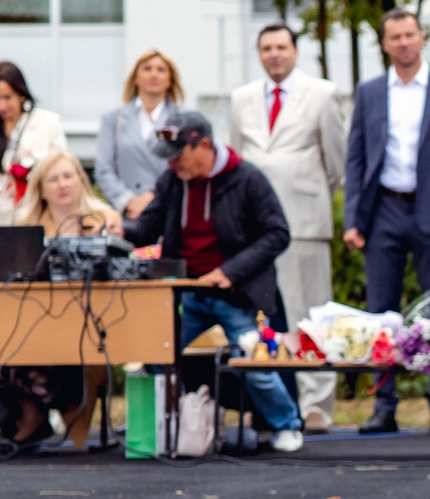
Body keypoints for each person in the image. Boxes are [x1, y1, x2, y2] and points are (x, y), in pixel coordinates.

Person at [126, 108, 304, 453]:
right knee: (155, 356)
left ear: (204, 145)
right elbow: (148, 226)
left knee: (256, 364)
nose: (173, 165)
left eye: (178, 156)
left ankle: (287, 425)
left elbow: (277, 233)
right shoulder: (172, 182)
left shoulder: (247, 179)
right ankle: (159, 427)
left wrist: (230, 271)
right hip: (188, 293)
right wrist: (119, 230)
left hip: (236, 294)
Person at [344, 9, 430, 435]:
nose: (403, 42)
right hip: (383, 211)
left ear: (421, 38)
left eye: (410, 34)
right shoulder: (369, 92)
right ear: (384, 44)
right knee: (382, 312)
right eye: (395, 36)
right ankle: (384, 404)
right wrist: (353, 218)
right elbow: (357, 157)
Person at [229, 23, 347, 430]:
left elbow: (336, 162)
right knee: (265, 316)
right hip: (255, 232)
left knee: (310, 315)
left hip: (304, 220)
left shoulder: (323, 93)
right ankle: (272, 403)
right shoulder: (241, 98)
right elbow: (237, 164)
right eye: (266, 48)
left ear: (295, 51)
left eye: (281, 47)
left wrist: (310, 193)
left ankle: (316, 405)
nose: (274, 54)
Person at [0, 152, 123, 446]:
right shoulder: (27, 226)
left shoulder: (106, 219)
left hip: (93, 327)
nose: (62, 185)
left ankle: (46, 427)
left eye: (68, 176)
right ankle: (31, 421)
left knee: (74, 358)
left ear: (80, 180)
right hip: (39, 324)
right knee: (18, 351)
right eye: (53, 179)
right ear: (41, 189)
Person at [0, 61, 68, 224]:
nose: (1, 106)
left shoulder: (47, 123)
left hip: (34, 218)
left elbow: (63, 167)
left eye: (7, 98)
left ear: (21, 95)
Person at [96, 49, 180, 219]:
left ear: (170, 79)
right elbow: (104, 169)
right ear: (135, 77)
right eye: (147, 68)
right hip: (130, 214)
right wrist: (128, 201)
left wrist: (152, 197)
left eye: (161, 69)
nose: (154, 74)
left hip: (170, 210)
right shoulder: (113, 119)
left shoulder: (183, 118)